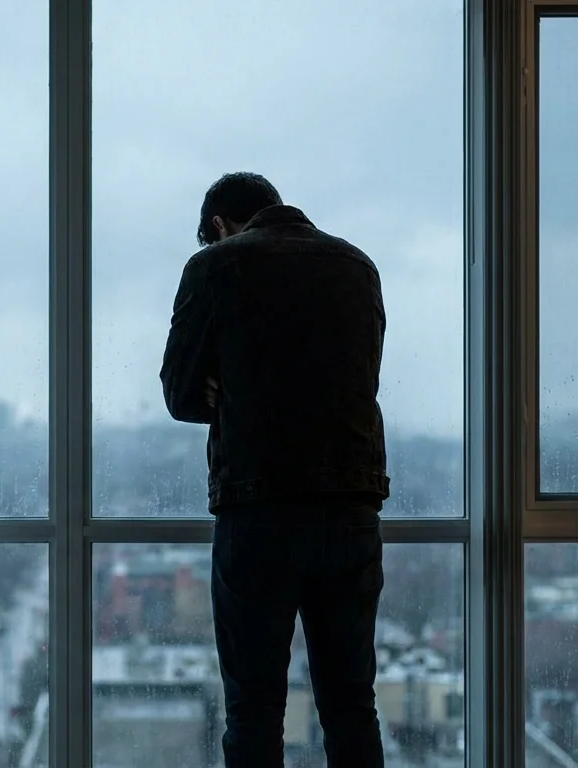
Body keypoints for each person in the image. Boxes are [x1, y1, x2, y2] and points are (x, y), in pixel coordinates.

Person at [160, 172, 390, 768]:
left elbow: (181, 393)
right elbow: (359, 382)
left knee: (254, 711)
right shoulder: (357, 267)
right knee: (350, 706)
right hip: (350, 507)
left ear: (216, 226)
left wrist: (229, 386)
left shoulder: (216, 267)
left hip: (257, 508)